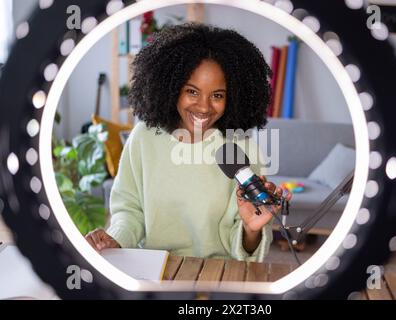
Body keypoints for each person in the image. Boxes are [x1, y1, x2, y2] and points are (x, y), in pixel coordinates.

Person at [85, 23, 291, 262]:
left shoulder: (241, 148)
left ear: (233, 96)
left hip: (218, 274)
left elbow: (246, 244)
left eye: (217, 95)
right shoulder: (144, 137)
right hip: (154, 270)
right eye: (192, 91)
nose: (204, 106)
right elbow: (129, 210)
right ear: (171, 88)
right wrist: (116, 239)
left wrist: (251, 230)